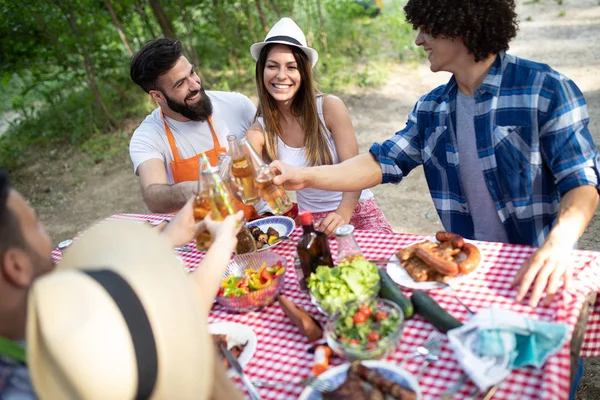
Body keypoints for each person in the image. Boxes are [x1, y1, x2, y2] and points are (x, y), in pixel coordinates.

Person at [271, 0, 600, 309]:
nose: (418, 40)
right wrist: (303, 175)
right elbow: (381, 161)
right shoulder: (432, 108)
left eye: (426, 28)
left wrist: (559, 243)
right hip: (467, 270)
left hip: (540, 264)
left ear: (459, 25)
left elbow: (581, 180)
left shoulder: (546, 89)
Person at [0, 169, 243, 398]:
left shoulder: (19, 340)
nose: (48, 237)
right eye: (37, 225)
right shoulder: (70, 348)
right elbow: (178, 319)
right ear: (16, 266)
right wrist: (222, 243)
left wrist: (168, 237)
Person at [247, 17, 392, 236]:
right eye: (272, 66)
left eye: (291, 67)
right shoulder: (259, 130)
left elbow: (355, 169)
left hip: (354, 208)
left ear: (303, 74)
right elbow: (246, 178)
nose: (281, 75)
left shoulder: (329, 108)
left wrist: (343, 213)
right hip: (311, 219)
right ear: (261, 72)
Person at [129, 38, 259, 220]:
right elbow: (153, 197)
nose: (195, 85)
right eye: (180, 83)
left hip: (257, 224)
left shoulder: (237, 105)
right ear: (157, 96)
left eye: (192, 73)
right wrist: (207, 187)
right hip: (200, 240)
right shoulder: (148, 136)